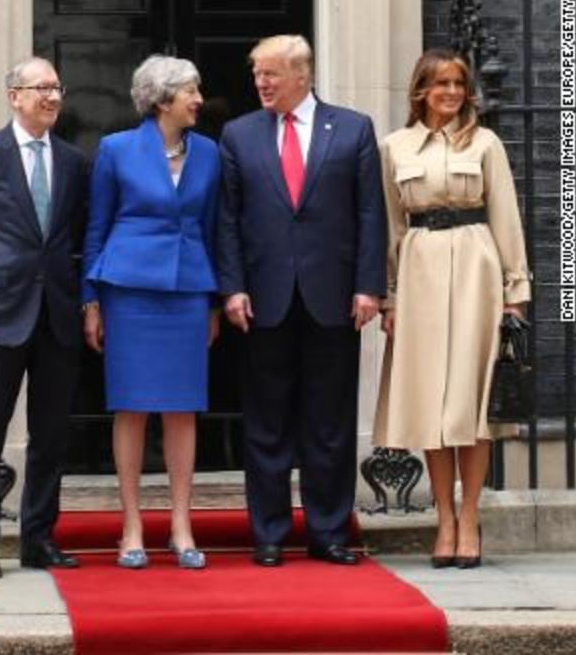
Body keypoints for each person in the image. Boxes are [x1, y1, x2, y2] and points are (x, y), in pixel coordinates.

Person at [215, 34, 387, 567]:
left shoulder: (353, 128)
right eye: (257, 75)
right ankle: (268, 533)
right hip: (262, 299)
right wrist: (232, 287)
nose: (261, 83)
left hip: (333, 298)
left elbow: (369, 214)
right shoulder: (238, 135)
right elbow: (226, 220)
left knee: (329, 423)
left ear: (303, 75)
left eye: (270, 74)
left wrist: (369, 286)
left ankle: (329, 532)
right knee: (266, 423)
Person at [373, 49, 530, 570]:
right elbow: (392, 228)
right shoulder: (394, 147)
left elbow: (506, 216)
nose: (451, 92)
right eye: (440, 83)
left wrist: (515, 293)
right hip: (419, 274)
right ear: (420, 89)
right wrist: (389, 296)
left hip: (476, 268)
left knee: (470, 404)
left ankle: (468, 517)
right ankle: (442, 519)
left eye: (458, 83)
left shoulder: (485, 143)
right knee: (433, 410)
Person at [0, 56, 89, 579]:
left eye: (56, 87)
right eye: (40, 88)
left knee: (51, 433)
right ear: (14, 96)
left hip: (56, 314)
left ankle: (38, 539)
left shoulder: (74, 162)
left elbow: (76, 240)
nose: (51, 97)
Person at [81, 55, 220, 570]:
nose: (199, 99)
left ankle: (182, 524)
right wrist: (90, 299)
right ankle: (132, 524)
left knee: (184, 407)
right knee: (132, 406)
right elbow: (96, 226)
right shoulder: (116, 150)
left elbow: (213, 227)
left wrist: (212, 298)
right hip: (129, 289)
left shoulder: (209, 153)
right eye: (191, 91)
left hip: (187, 289)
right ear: (162, 99)